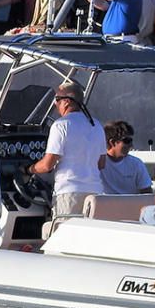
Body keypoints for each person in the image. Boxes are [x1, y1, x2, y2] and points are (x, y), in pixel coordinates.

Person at [26, 82, 106, 219]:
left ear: (67, 102)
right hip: (95, 193)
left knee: (65, 237)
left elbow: (47, 165)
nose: (55, 104)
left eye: (57, 99)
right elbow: (101, 164)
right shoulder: (97, 125)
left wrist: (29, 169)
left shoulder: (60, 125)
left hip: (69, 193)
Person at [100, 121, 153, 195]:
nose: (131, 145)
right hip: (104, 206)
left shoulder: (136, 164)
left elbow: (147, 193)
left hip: (132, 206)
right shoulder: (98, 163)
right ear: (112, 142)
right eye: (127, 141)